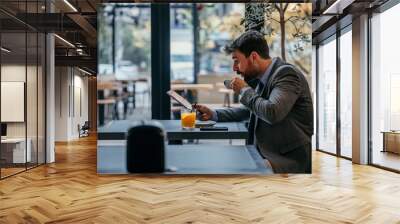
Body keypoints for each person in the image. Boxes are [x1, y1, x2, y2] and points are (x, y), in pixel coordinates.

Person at [194, 30, 313, 173]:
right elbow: (250, 109)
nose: (234, 68)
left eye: (237, 61)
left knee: (232, 171)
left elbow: (272, 112)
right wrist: (213, 114)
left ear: (253, 57)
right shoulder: (265, 77)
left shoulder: (286, 74)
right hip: (265, 153)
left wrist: (245, 90)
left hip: (287, 159)